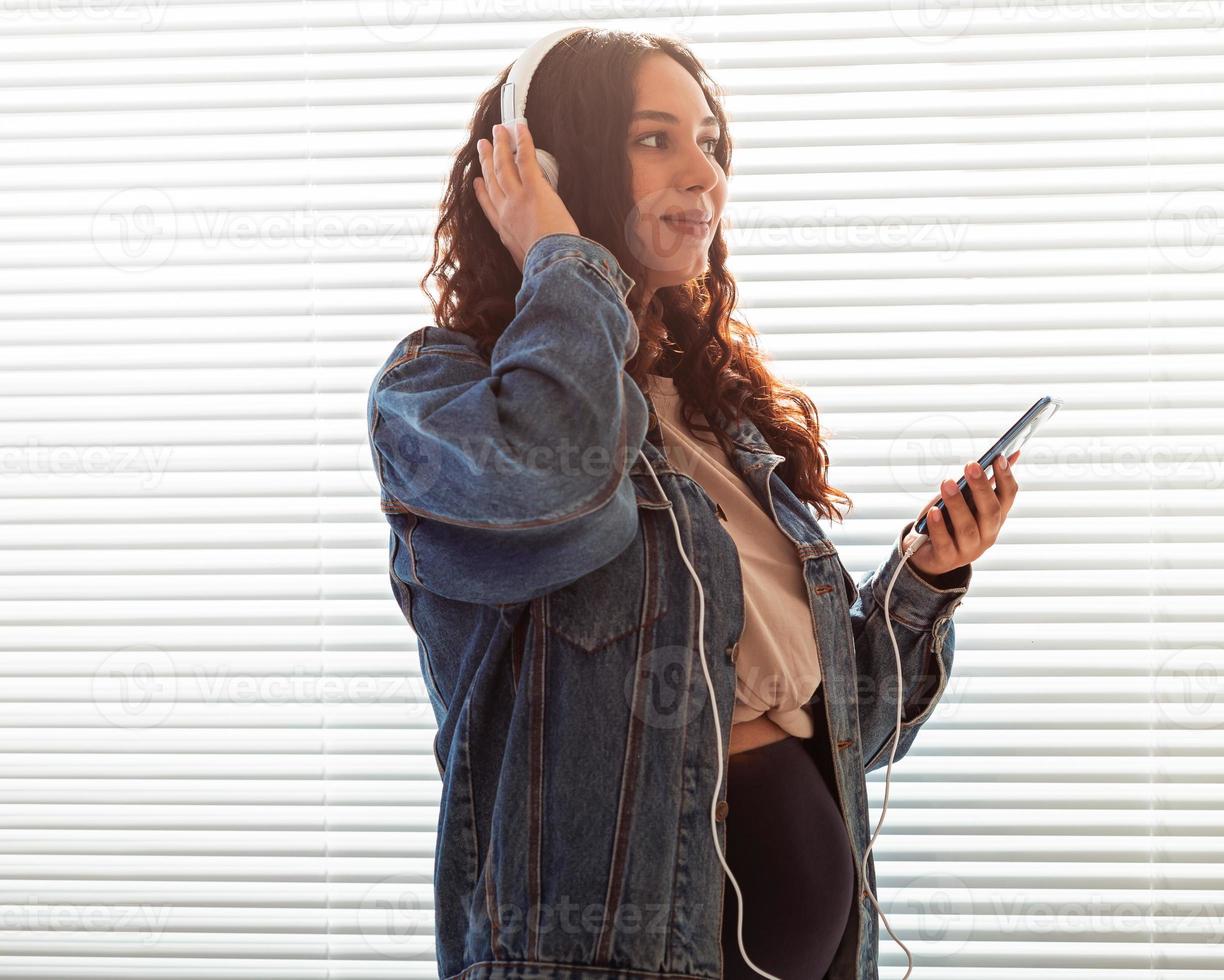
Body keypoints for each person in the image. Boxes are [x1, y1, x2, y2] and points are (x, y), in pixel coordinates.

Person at [366, 27, 1020, 980]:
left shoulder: (722, 421)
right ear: (544, 164)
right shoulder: (443, 399)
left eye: (710, 143)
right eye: (653, 139)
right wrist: (560, 250)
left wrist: (927, 577)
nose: (701, 174)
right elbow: (557, 476)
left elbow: (848, 728)